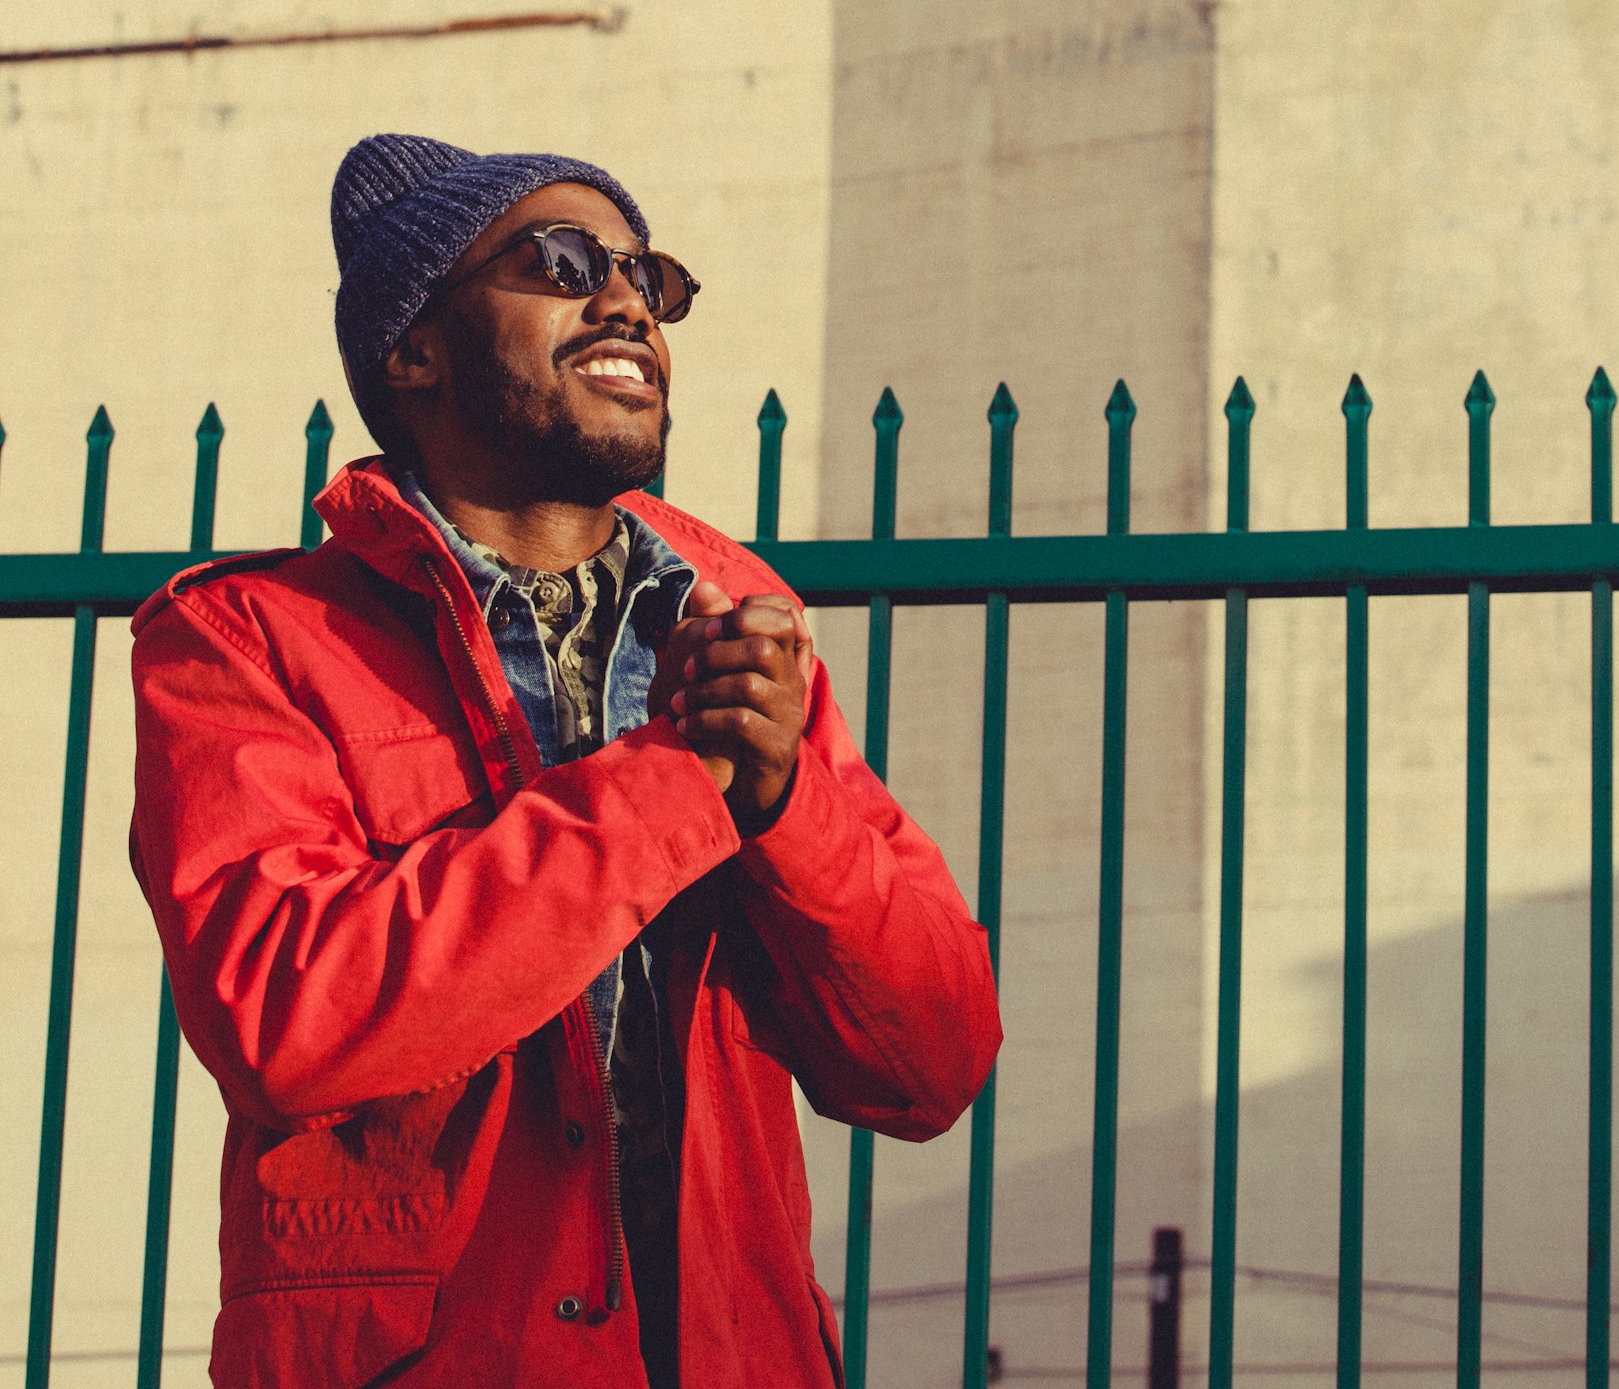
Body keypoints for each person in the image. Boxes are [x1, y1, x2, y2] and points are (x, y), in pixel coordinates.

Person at [130, 132, 1000, 1389]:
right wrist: (678, 783)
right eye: (562, 262)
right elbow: (288, 1017)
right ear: (413, 350)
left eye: (650, 277)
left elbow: (930, 1066)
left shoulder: (734, 623)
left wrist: (785, 807)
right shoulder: (250, 640)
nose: (627, 302)